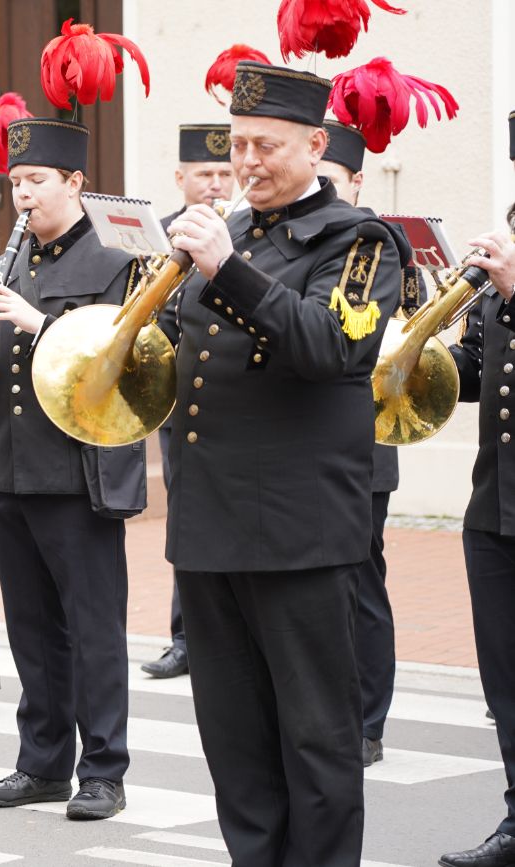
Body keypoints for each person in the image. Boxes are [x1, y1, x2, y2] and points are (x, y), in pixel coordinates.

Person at [163, 61, 407, 865]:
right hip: (210, 525)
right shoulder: (236, 233)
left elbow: (333, 347)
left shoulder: (361, 240)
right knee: (235, 745)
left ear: (315, 143)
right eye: (238, 145)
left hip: (298, 531)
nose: (248, 161)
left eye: (266, 145)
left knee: (316, 740)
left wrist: (224, 269)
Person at [0, 116, 146, 821]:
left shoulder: (115, 257)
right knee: (32, 627)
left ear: (75, 182)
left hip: (79, 469)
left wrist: (37, 324)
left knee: (93, 627)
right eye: (16, 183)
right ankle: (41, 764)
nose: (22, 196)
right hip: (9, 466)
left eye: (36, 182)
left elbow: (125, 356)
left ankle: (104, 769)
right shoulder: (13, 259)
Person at [316, 120, 423, 768]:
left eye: (330, 183)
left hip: (370, 434)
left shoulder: (383, 247)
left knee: (360, 582)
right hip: (315, 443)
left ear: (356, 182)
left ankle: (368, 720)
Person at [436, 111, 515, 867]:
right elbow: (474, 371)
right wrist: (416, 348)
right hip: (495, 508)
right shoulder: (505, 260)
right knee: (507, 682)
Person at [144, 123, 235, 680]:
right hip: (175, 398)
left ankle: (222, 635)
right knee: (185, 516)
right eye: (205, 174)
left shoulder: (240, 230)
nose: (217, 185)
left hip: (227, 395)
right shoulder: (154, 235)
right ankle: (185, 637)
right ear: (181, 178)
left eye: (225, 174)